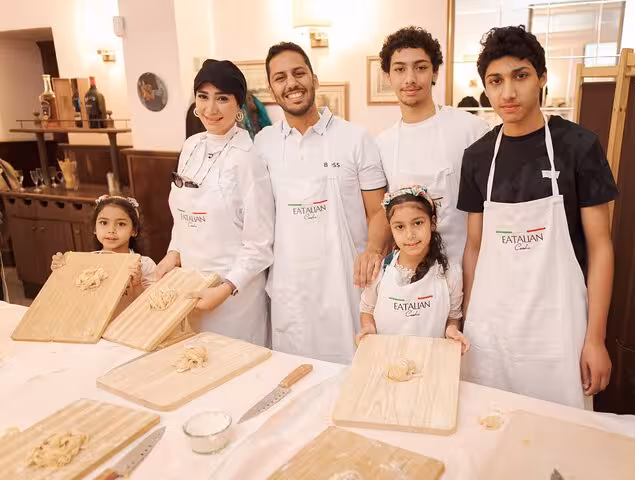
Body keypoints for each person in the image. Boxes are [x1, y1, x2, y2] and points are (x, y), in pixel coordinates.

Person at [458, 26, 617, 409]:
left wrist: (595, 339)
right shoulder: (478, 157)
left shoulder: (579, 146)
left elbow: (600, 248)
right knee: (488, 425)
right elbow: (474, 248)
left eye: (521, 76)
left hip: (559, 328)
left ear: (542, 78)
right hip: (492, 326)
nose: (508, 93)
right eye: (495, 81)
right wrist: (465, 323)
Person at [254, 42, 388, 364]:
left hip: (346, 288)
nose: (291, 84)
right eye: (281, 77)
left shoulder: (355, 139)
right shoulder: (263, 144)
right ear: (272, 89)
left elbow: (379, 211)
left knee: (351, 377)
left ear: (314, 79)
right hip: (291, 291)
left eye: (299, 73)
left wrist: (372, 250)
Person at [154, 59, 274, 346]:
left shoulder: (248, 158)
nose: (210, 109)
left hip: (234, 297)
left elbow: (259, 244)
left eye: (222, 98)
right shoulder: (191, 146)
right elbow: (183, 216)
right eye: (203, 97)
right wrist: (174, 252)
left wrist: (226, 288)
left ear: (239, 104)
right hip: (191, 287)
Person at [374, 26, 490, 266]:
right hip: (412, 279)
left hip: (465, 267)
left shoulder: (471, 129)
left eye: (421, 67)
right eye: (399, 69)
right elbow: (383, 216)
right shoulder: (383, 144)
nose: (410, 79)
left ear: (435, 72)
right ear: (388, 77)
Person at [356, 186, 468, 353]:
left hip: (431, 361)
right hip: (387, 361)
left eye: (418, 223)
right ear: (391, 229)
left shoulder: (450, 273)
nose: (410, 235)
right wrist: (368, 329)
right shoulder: (379, 271)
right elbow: (367, 310)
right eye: (400, 227)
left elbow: (453, 317)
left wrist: (452, 330)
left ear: (433, 222)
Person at [51, 194, 155, 306]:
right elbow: (73, 299)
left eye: (121, 224)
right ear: (95, 228)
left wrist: (137, 284)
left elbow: (153, 306)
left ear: (134, 230)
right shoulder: (86, 264)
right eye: (103, 223)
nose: (111, 230)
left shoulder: (145, 265)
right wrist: (61, 272)